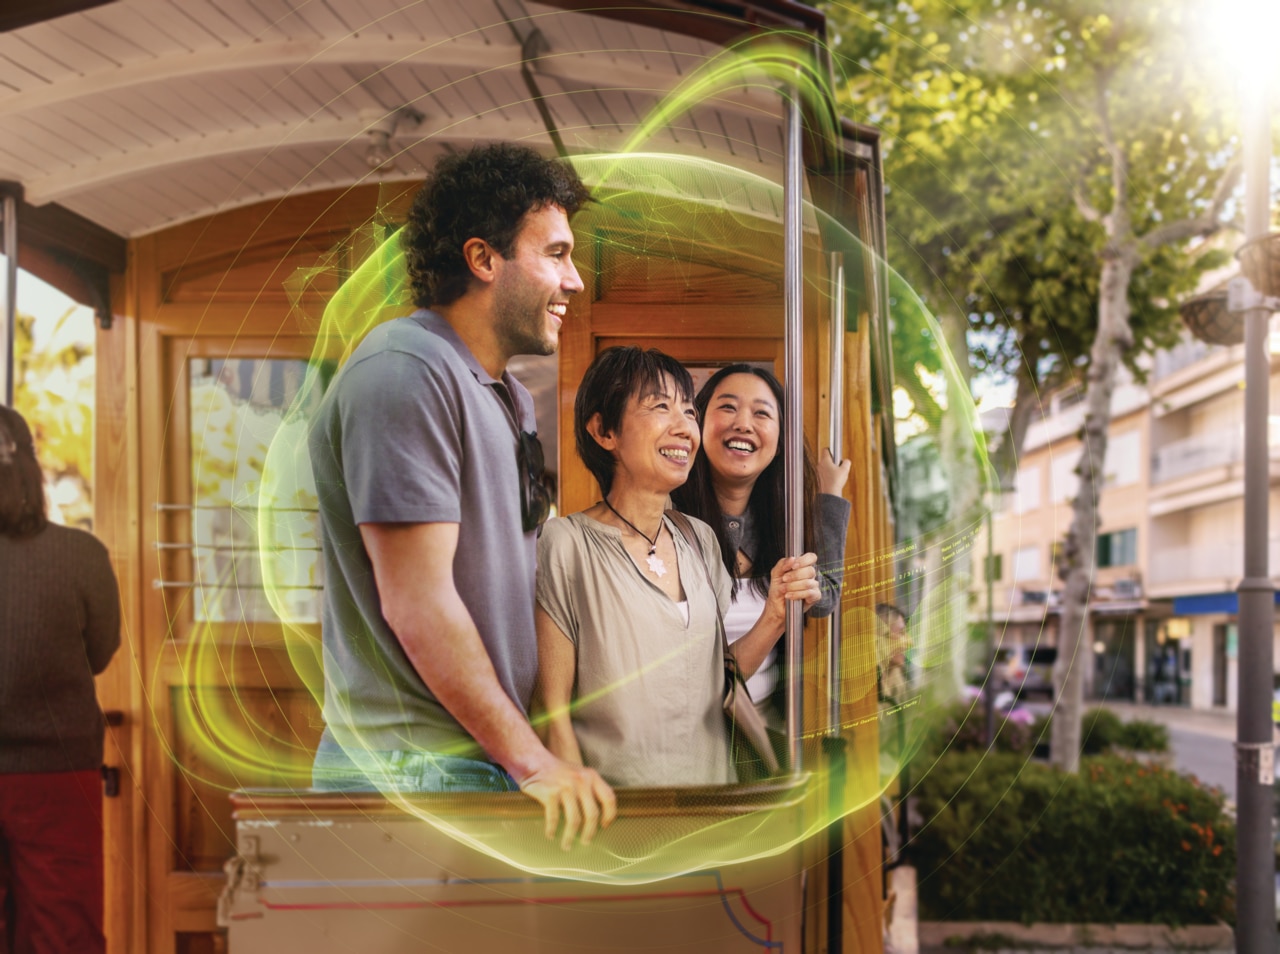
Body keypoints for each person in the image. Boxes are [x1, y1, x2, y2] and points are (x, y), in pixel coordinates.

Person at [308, 143, 614, 848]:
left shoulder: (508, 396)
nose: (574, 279)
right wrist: (533, 761)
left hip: (481, 763)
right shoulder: (404, 370)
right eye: (556, 253)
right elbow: (418, 602)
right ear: (483, 259)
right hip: (412, 771)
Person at [534, 347, 820, 787]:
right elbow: (551, 713)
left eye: (688, 410)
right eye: (660, 406)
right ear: (604, 431)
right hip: (621, 813)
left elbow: (718, 679)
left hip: (711, 806)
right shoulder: (566, 544)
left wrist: (775, 615)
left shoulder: (698, 538)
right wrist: (583, 802)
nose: (685, 427)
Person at [0, 405, 120, 954]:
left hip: (56, 773)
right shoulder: (82, 556)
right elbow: (98, 653)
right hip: (56, 774)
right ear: (31, 469)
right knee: (64, 934)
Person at [670, 364, 851, 718]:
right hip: (686, 729)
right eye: (727, 407)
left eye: (762, 413)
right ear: (697, 423)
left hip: (763, 731)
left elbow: (823, 599)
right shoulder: (666, 518)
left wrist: (829, 494)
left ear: (781, 440)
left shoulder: (784, 524)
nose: (743, 423)